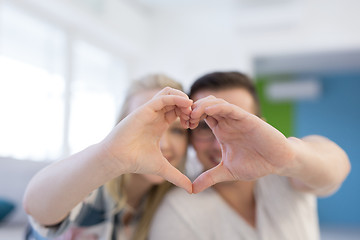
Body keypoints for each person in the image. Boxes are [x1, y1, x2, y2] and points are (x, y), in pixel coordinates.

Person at [149, 71, 351, 240]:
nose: (221, 144)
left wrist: (288, 158)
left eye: (235, 123)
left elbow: (337, 168)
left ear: (261, 126)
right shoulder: (178, 212)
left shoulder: (289, 172)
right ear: (190, 135)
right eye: (204, 126)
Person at [23, 74, 193, 240]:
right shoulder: (91, 186)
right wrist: (110, 157)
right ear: (121, 126)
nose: (164, 144)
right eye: (149, 125)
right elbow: (37, 209)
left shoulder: (175, 201)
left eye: (177, 131)